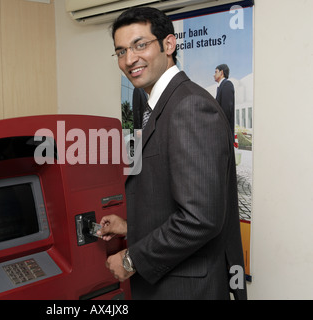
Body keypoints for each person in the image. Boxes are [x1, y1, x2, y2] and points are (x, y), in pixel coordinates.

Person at [97, 7, 247, 300]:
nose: (129, 60)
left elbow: (200, 219)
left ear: (168, 45)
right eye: (120, 51)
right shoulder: (162, 106)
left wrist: (132, 260)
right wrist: (131, 227)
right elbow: (176, 201)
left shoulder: (189, 107)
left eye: (140, 45)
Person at [214, 64, 235, 137]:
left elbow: (226, 111)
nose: (214, 75)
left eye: (216, 72)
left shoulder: (227, 85)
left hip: (224, 133)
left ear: (221, 73)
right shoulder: (221, 86)